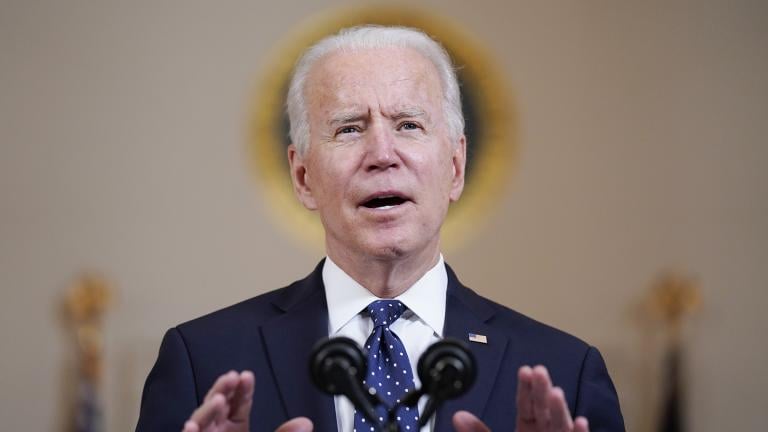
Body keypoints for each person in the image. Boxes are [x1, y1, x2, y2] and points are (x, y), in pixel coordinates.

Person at [135, 25, 624, 432]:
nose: (383, 154)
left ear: (455, 168)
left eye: (408, 124)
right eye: (349, 128)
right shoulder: (202, 362)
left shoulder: (566, 372)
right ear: (303, 177)